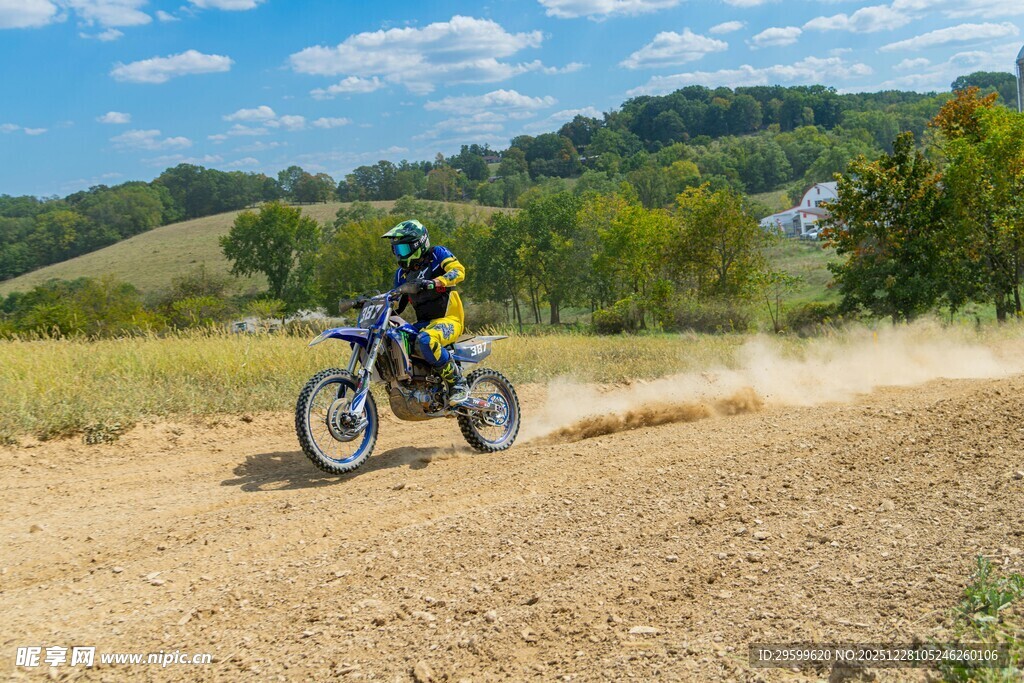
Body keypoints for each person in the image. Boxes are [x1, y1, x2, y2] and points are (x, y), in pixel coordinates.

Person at [382, 219, 470, 406]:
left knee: (426, 340)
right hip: (424, 324)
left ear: (419, 244)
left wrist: (436, 282)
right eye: (396, 250)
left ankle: (458, 383)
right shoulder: (401, 274)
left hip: (449, 319)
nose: (399, 254)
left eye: (403, 249)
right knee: (394, 338)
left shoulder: (437, 254)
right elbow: (397, 304)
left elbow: (458, 271)